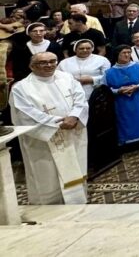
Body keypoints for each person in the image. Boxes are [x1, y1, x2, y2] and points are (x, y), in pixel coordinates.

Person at [11, 52, 89, 204]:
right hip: (43, 141)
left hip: (72, 133)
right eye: (43, 62)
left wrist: (74, 116)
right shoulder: (21, 88)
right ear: (32, 66)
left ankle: (77, 202)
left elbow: (81, 99)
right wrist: (58, 123)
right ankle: (49, 208)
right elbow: (25, 114)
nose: (49, 65)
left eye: (52, 61)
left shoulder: (67, 78)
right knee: (47, 174)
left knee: (75, 168)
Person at [104, 45, 139, 147]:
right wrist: (118, 90)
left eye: (129, 52)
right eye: (124, 53)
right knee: (124, 120)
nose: (127, 55)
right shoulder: (108, 73)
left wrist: (138, 86)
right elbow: (105, 89)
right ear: (117, 55)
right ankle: (128, 142)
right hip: (121, 102)